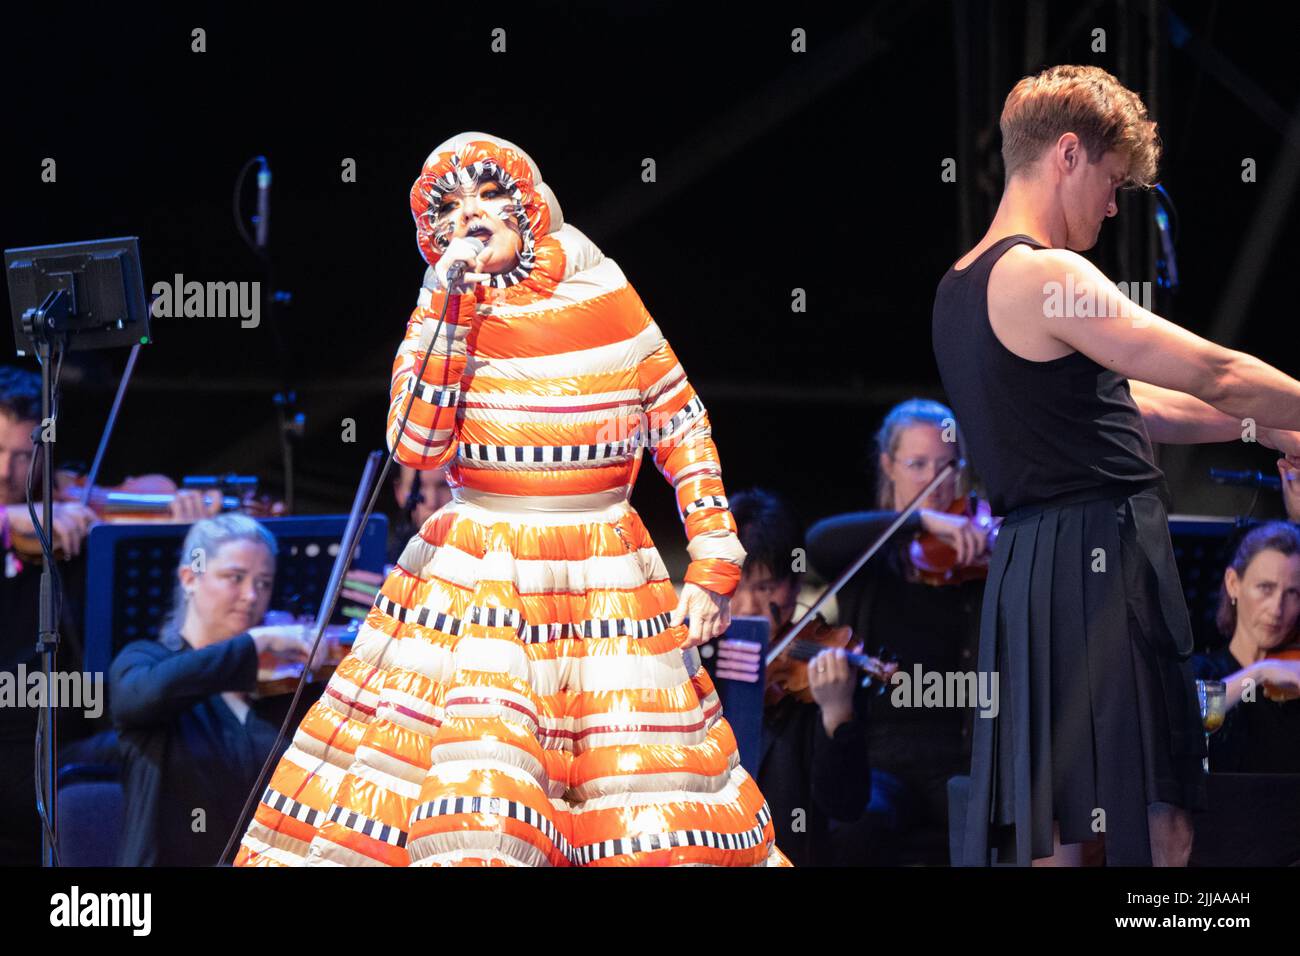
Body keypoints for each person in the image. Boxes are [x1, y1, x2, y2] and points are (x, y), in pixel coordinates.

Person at [236, 132, 784, 867]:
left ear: (529, 206)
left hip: (604, 577)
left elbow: (679, 423)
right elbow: (416, 446)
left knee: (632, 803)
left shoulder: (605, 290)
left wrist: (715, 557)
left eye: (492, 197)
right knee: (484, 787)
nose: (475, 217)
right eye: (454, 209)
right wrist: (445, 303)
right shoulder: (445, 309)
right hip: (483, 574)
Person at [932, 65, 1300, 866]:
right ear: (1068, 153)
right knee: (1159, 824)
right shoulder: (1044, 275)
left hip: (1031, 574)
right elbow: (1212, 370)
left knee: (1067, 834)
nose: (1111, 202)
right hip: (1098, 564)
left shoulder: (959, 287)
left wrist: (1268, 430)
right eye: (1111, 179)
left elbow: (1135, 408)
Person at [806, 399, 989, 865]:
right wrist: (921, 521)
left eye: (948, 467)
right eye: (918, 464)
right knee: (857, 830)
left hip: (962, 757)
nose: (935, 480)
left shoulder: (975, 555)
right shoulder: (868, 554)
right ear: (888, 465)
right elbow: (819, 541)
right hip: (880, 760)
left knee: (999, 831)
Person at [109, 515, 317, 865]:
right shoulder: (145, 661)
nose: (252, 596)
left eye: (264, 583)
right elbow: (141, 697)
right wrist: (255, 642)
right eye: (235, 578)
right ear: (190, 577)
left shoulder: (278, 685)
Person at [729, 488, 872, 867]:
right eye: (734, 585)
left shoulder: (819, 670)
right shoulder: (694, 660)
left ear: (794, 585)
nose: (747, 607)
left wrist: (836, 713)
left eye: (765, 587)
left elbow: (844, 805)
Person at [1190, 521, 1300, 772]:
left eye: (1293, 593)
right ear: (1233, 583)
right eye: (1265, 588)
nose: (1277, 609)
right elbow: (1185, 717)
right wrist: (1261, 671)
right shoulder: (1204, 669)